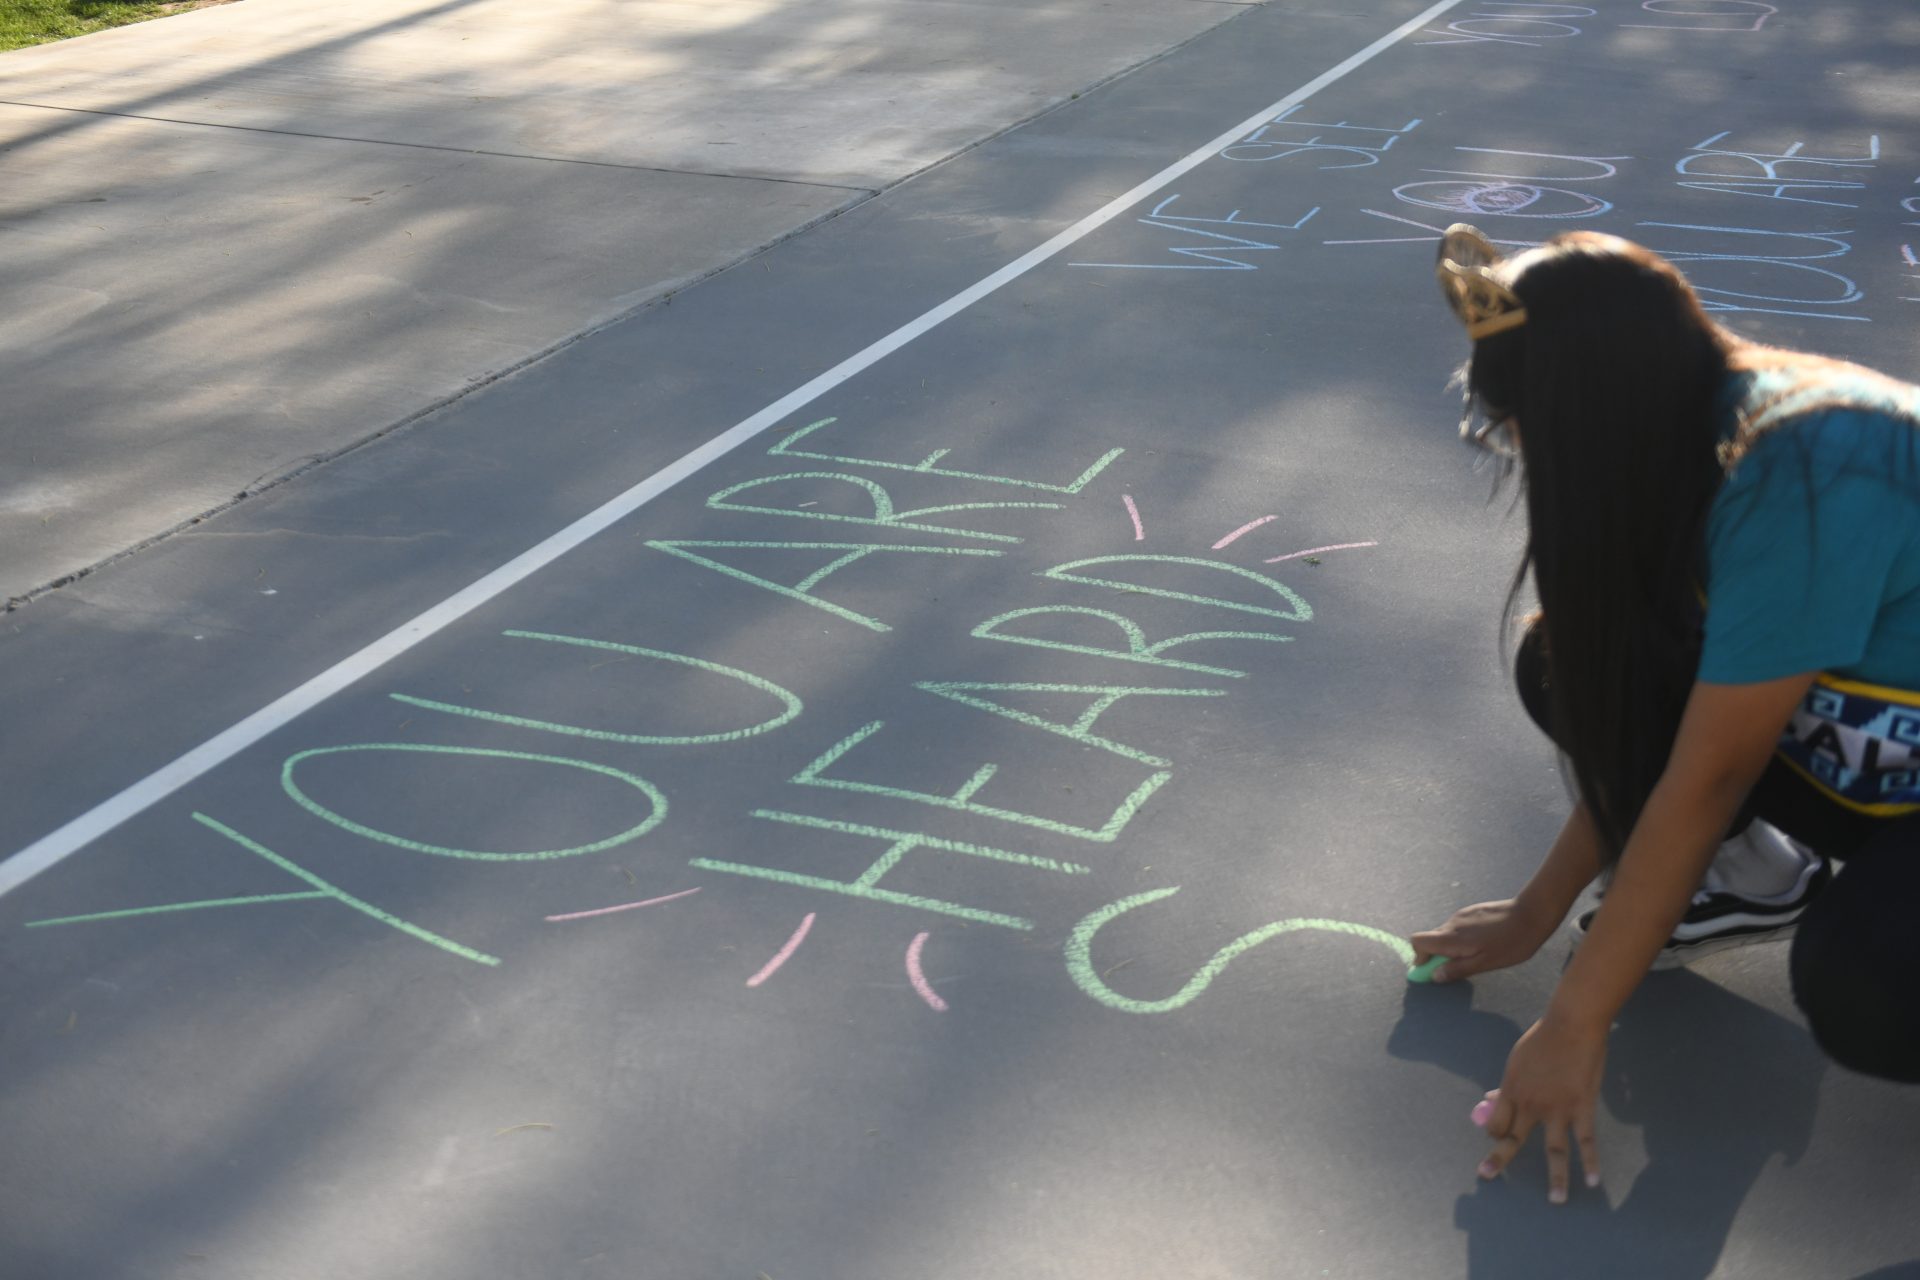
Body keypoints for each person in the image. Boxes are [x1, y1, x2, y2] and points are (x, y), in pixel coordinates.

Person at [1410, 224, 1920, 1205]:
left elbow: (1708, 773)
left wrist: (1575, 1019)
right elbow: (1654, 719)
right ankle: (1756, 872)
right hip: (1876, 753)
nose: (1524, 456)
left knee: (1871, 979)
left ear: (1590, 414)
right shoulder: (1682, 422)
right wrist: (1535, 910)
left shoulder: (1811, 470)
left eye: (1523, 433)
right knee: (1569, 661)